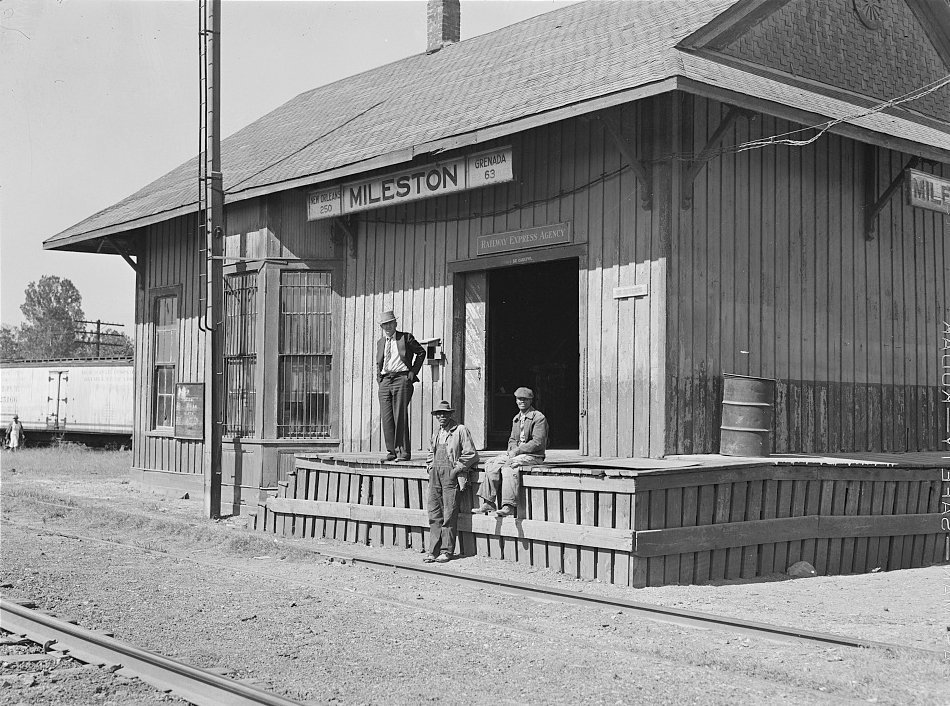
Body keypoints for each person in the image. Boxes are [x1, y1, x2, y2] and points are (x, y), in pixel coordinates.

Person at [476, 387, 548, 518]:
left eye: (525, 399)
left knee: (509, 466)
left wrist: (518, 450)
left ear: (531, 401)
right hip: (518, 453)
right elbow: (512, 439)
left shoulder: (538, 418)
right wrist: (512, 449)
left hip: (534, 455)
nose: (522, 402)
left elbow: (538, 442)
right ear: (516, 400)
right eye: (519, 399)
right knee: (491, 462)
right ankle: (489, 502)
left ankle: (508, 505)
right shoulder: (516, 418)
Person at [424, 400, 478, 563]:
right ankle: (432, 551)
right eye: (439, 414)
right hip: (435, 475)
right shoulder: (436, 432)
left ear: (450, 414)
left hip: (450, 474)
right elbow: (430, 452)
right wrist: (430, 467)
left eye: (445, 413)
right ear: (435, 416)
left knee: (449, 513)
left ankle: (446, 551)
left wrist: (456, 470)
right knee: (434, 513)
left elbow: (471, 454)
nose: (442, 416)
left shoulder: (460, 430)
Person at [376, 310, 426, 462]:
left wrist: (412, 372)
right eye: (385, 324)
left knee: (400, 415)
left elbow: (421, 352)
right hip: (385, 380)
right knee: (387, 417)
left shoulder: (406, 337)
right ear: (382, 327)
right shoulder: (381, 342)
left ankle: (403, 453)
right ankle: (391, 451)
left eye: (390, 323)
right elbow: (379, 362)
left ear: (395, 323)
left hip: (402, 379)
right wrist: (379, 379)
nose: (388, 326)